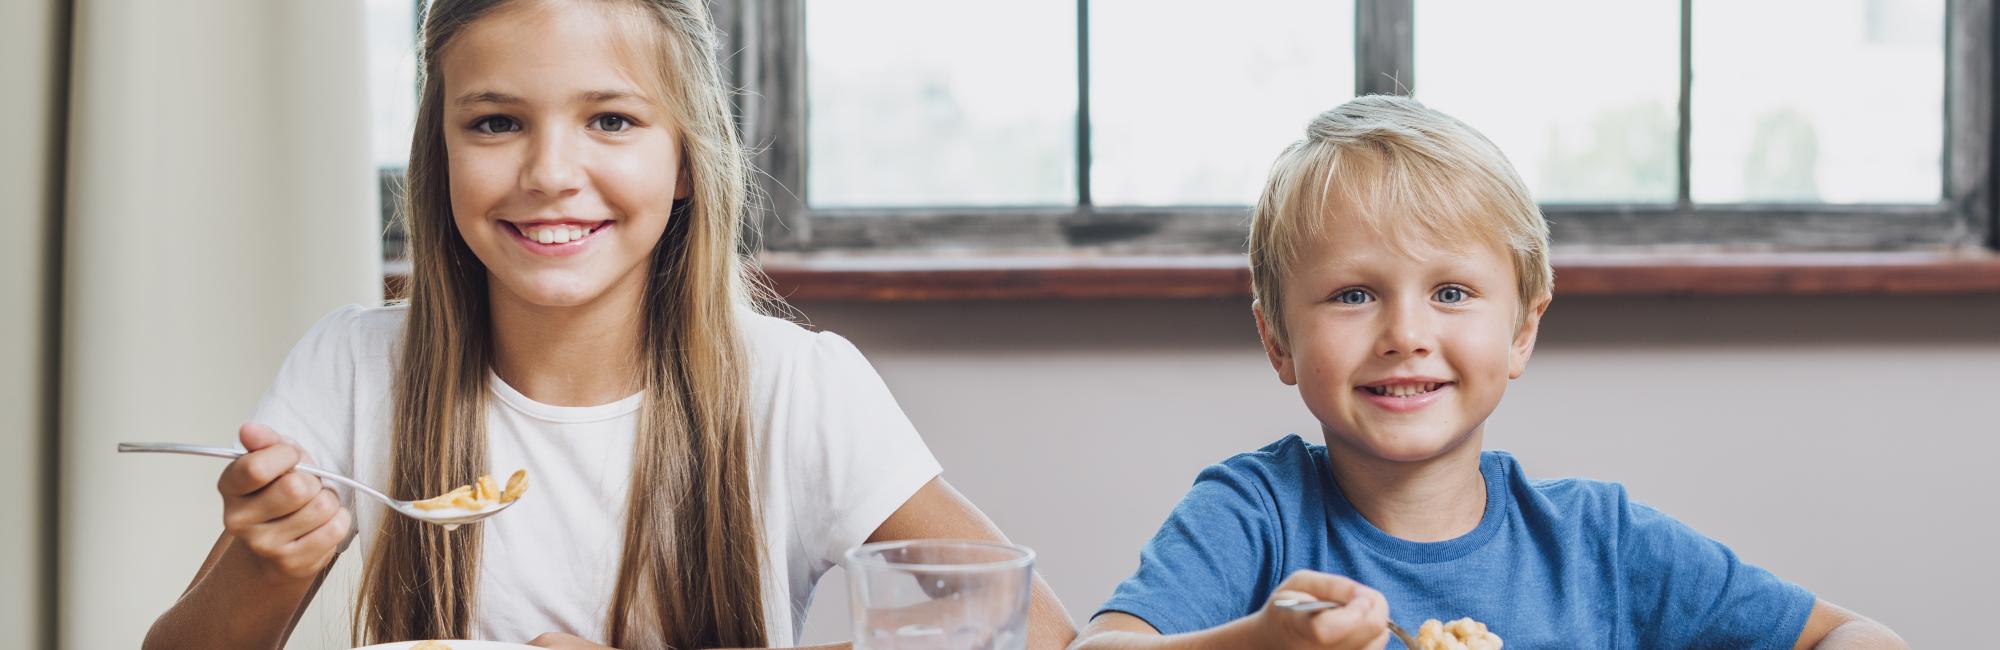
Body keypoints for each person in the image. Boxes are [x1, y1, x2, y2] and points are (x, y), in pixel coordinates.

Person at [142, 1, 1073, 648]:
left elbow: (1029, 631)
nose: (550, 172)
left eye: (613, 121)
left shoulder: (796, 385)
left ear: (685, 160)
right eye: (496, 123)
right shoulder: (353, 367)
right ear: (441, 154)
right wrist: (265, 563)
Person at [1070, 95, 1906, 650]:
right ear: (1278, 340)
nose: (1406, 334)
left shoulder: (1600, 545)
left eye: (1451, 293)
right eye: (1354, 294)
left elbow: (1855, 637)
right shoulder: (1253, 515)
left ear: (1521, 331)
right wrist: (1256, 644)